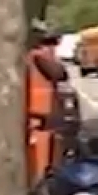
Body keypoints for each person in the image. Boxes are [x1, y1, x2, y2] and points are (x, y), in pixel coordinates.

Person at [26, 20, 72, 186]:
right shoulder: (38, 56)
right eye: (49, 43)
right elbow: (59, 72)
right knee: (41, 171)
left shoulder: (33, 57)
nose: (52, 48)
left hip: (43, 120)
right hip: (38, 121)